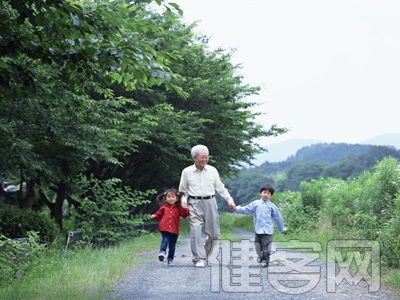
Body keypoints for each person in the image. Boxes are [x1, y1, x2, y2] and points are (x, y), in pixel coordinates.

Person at [179, 144, 236, 268]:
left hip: (210, 202)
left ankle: (204, 252)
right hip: (193, 203)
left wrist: (229, 200)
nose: (204, 159)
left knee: (214, 234)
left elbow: (220, 187)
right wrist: (183, 200)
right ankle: (198, 258)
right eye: (201, 157)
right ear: (194, 158)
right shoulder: (187, 172)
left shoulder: (212, 170)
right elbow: (183, 189)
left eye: (206, 157)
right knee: (195, 231)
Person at [233, 184, 286, 268]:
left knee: (266, 246)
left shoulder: (272, 206)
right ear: (260, 193)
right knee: (257, 246)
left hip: (268, 230)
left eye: (268, 193)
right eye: (264, 192)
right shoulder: (255, 204)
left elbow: (278, 218)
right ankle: (261, 257)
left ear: (271, 196)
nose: (266, 194)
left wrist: (281, 229)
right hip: (258, 229)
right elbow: (246, 209)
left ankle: (265, 260)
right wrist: (236, 209)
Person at [151, 189, 190, 266]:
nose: (171, 198)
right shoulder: (163, 207)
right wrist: (154, 216)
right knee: (165, 240)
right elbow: (158, 215)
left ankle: (170, 259)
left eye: (173, 197)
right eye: (168, 197)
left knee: (172, 245)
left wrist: (186, 209)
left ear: (177, 198)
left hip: (174, 229)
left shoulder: (178, 208)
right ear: (165, 198)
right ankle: (162, 252)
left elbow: (184, 215)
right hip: (164, 228)